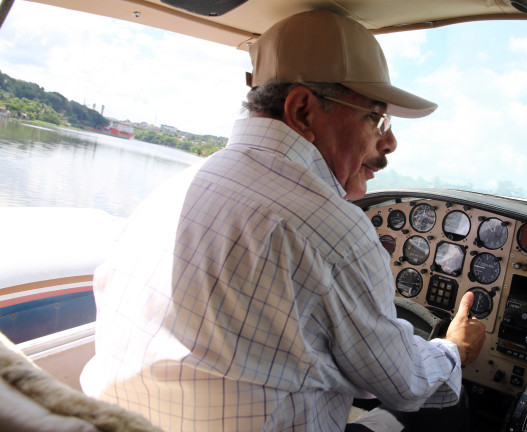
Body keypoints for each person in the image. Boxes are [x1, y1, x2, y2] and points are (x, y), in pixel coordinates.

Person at [80, 9, 486, 432]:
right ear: (303, 111)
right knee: (445, 406)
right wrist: (454, 349)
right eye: (375, 117)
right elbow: (403, 382)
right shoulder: (335, 230)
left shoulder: (173, 188)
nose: (390, 141)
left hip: (116, 422)